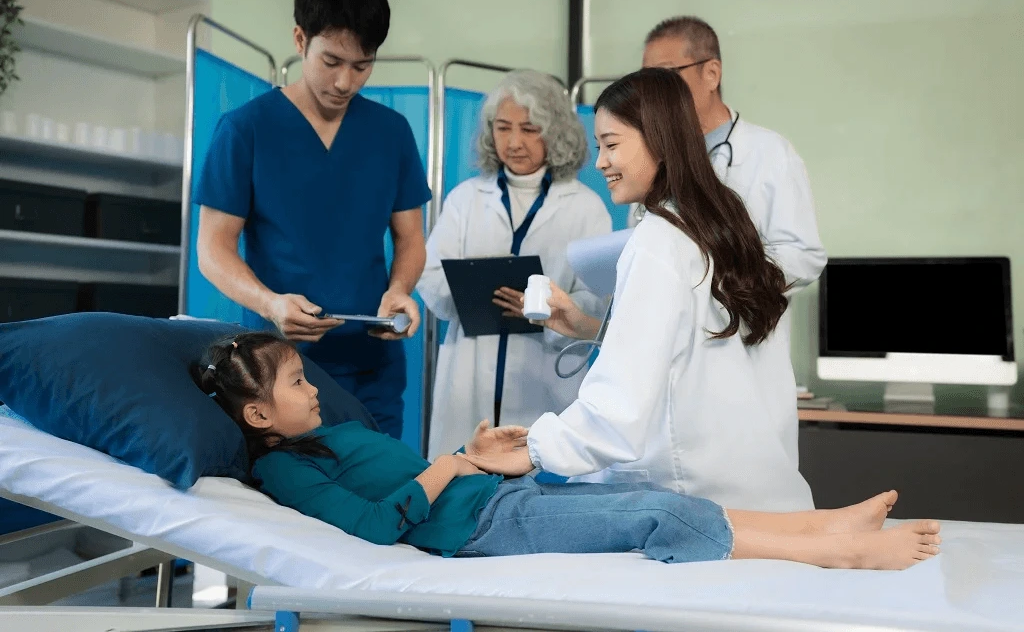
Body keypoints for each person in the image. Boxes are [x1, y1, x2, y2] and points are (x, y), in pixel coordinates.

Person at [191, 330, 942, 570]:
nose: (313, 387)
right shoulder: (287, 469)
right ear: (258, 412)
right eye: (295, 382)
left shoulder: (332, 431)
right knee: (648, 515)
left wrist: (469, 449)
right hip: (482, 527)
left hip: (490, 490)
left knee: (653, 490)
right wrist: (454, 465)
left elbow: (413, 475)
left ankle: (826, 523)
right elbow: (381, 526)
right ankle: (835, 554)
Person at [461, 68, 817, 512]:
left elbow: (619, 410)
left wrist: (532, 448)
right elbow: (695, 353)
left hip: (696, 497)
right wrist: (588, 326)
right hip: (760, 487)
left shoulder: (657, 242)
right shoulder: (723, 225)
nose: (600, 162)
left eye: (611, 145)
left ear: (661, 142)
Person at [195, 0, 431, 439]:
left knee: (382, 493)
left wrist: (400, 288)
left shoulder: (391, 133)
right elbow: (213, 249)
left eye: (362, 66)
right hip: (274, 371)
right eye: (332, 61)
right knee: (289, 504)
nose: (345, 81)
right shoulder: (246, 129)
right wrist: (270, 303)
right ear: (300, 40)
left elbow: (410, 238)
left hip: (373, 368)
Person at [416, 70, 611, 460]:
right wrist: (473, 287)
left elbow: (598, 300)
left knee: (538, 486)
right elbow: (430, 274)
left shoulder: (585, 207)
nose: (514, 142)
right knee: (461, 485)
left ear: (554, 133)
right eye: (503, 128)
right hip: (469, 373)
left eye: (529, 128)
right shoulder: (465, 199)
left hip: (543, 376)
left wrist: (552, 310)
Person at [641, 15, 827, 293]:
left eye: (667, 75)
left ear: (712, 74)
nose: (657, 92)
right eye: (648, 80)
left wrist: (726, 280)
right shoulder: (654, 156)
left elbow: (803, 256)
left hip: (741, 329)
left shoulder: (769, 153)